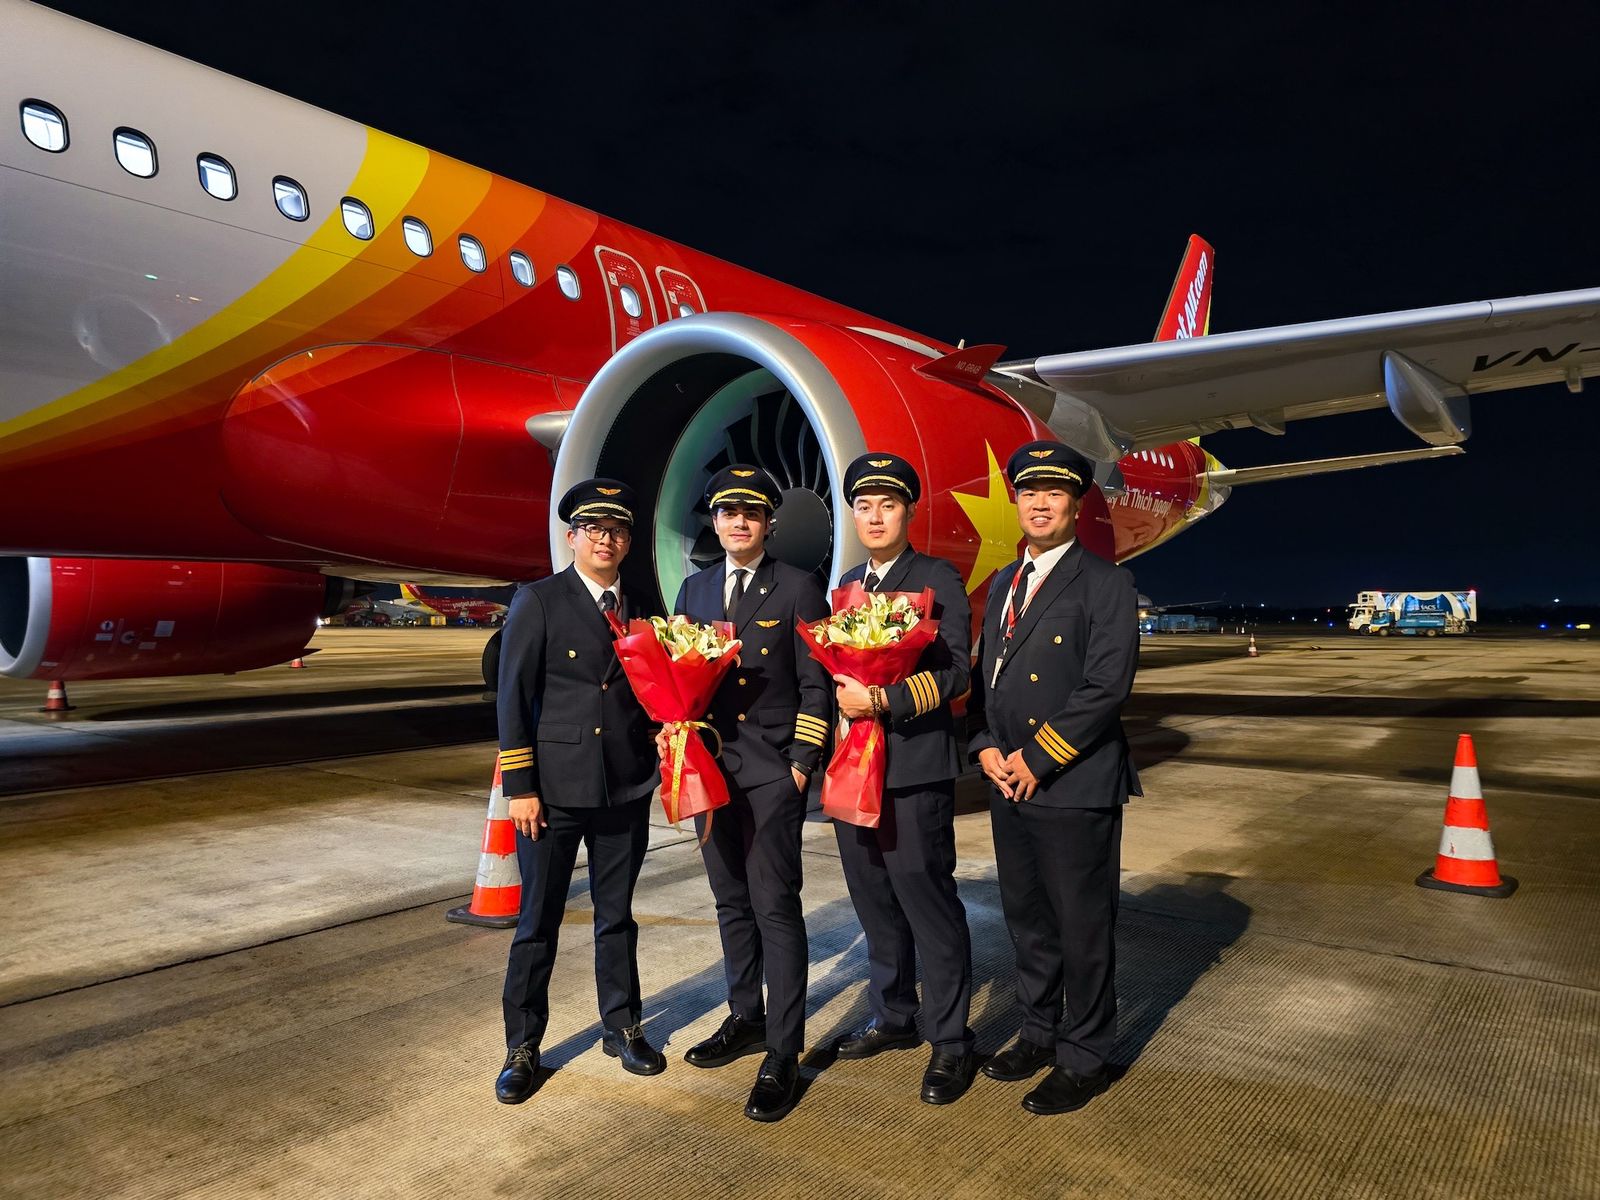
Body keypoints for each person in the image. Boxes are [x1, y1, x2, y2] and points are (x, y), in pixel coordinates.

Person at [967, 440, 1141, 1116]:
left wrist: (1037, 758)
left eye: (1055, 492)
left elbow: (1106, 686)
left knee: (1081, 926)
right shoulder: (1005, 582)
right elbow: (989, 676)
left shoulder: (1105, 582)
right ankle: (1038, 1033)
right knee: (1029, 919)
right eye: (1029, 492)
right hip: (1007, 779)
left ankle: (1085, 1055)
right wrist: (984, 745)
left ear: (1075, 503)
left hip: (1070, 781)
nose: (1040, 504)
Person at [494, 478, 666, 1105]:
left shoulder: (644, 608)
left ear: (628, 542)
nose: (605, 540)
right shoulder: (539, 600)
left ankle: (623, 1026)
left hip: (624, 786)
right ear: (572, 537)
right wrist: (521, 786)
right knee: (537, 922)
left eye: (616, 530)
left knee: (616, 917)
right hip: (554, 792)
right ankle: (522, 1046)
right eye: (593, 529)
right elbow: (512, 697)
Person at [671, 465, 831, 1122]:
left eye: (752, 513)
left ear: (768, 523)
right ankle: (746, 1017)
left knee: (774, 907)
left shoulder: (798, 586)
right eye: (728, 512)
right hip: (711, 770)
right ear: (714, 521)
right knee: (730, 901)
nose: (739, 522)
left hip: (770, 774)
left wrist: (801, 764)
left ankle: (784, 1050)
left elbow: (817, 684)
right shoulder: (695, 588)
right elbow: (678, 673)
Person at [829, 452, 977, 1106]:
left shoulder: (936, 577)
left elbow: (957, 673)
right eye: (864, 506)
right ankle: (894, 1015)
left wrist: (883, 701)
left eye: (887, 505)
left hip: (914, 769)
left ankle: (951, 1040)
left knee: (927, 901)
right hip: (853, 770)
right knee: (874, 900)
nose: (875, 517)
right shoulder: (846, 586)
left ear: (908, 512)